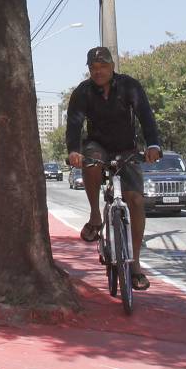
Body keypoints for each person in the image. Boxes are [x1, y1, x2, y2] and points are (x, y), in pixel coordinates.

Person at [66, 46, 162, 291]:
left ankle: (136, 264)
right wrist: (73, 150)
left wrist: (153, 145)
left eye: (103, 67)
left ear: (112, 66)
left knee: (136, 201)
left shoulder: (130, 86)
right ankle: (95, 216)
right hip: (97, 145)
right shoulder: (83, 92)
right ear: (89, 70)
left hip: (126, 148)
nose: (98, 72)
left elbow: (146, 116)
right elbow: (74, 125)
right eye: (94, 68)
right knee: (91, 162)